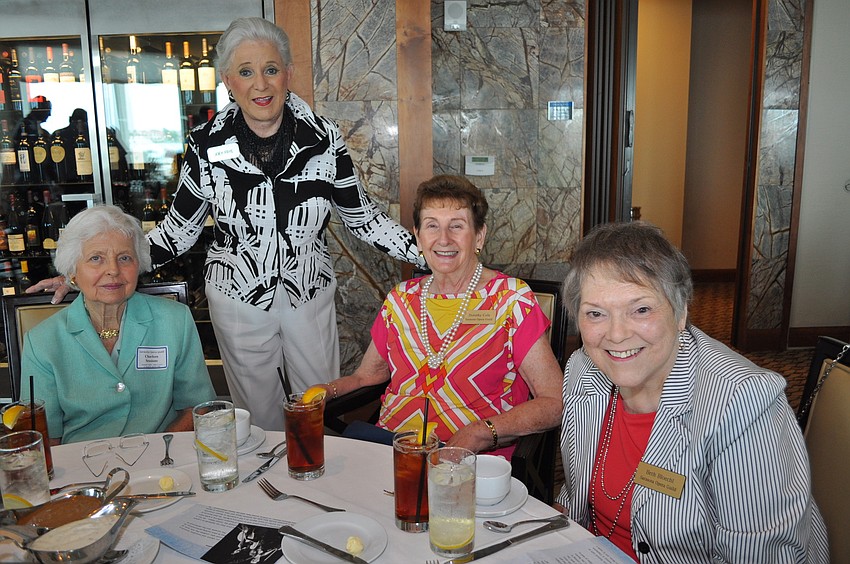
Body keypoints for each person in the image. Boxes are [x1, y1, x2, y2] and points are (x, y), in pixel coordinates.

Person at [28, 17, 423, 431]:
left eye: (271, 69)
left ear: (288, 74)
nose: (261, 84)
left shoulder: (324, 137)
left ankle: (312, 466)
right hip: (237, 296)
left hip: (309, 290)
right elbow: (179, 230)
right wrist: (82, 274)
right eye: (246, 72)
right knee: (258, 416)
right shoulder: (205, 143)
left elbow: (363, 217)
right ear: (228, 81)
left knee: (316, 406)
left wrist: (430, 254)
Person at [555, 221, 827, 562]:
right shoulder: (583, 369)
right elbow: (577, 493)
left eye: (641, 309)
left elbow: (763, 556)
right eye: (596, 314)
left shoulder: (742, 401)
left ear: (681, 311)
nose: (617, 334)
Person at [319, 175, 563, 457]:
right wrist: (322, 392)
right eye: (432, 225)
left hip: (468, 458)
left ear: (479, 236)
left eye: (456, 226)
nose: (443, 239)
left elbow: (554, 401)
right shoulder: (400, 299)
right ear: (418, 236)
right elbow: (365, 377)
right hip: (390, 449)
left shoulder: (510, 300)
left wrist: (479, 433)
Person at [20, 205, 216, 444]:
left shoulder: (175, 320)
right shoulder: (42, 342)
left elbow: (197, 407)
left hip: (160, 457)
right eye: (96, 259)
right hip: (82, 461)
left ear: (139, 265)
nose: (113, 270)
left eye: (124, 258)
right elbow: (44, 437)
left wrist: (159, 451)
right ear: (73, 273)